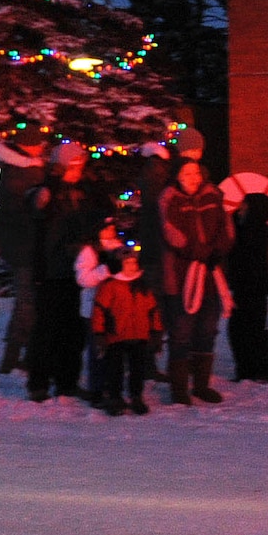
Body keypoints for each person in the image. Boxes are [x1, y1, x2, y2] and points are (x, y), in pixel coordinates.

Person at [26, 142, 101, 402]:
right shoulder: (46, 190)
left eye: (81, 164)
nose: (79, 169)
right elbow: (37, 210)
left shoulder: (84, 191)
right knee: (48, 329)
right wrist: (55, 181)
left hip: (79, 270)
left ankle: (67, 380)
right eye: (75, 164)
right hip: (51, 270)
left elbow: (96, 217)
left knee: (74, 330)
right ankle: (39, 383)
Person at [159, 157, 233, 405]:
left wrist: (217, 251)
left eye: (196, 173)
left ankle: (201, 385)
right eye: (187, 173)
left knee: (207, 329)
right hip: (181, 277)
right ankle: (179, 389)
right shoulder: (170, 198)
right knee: (181, 332)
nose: (193, 178)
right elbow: (171, 231)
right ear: (178, 176)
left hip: (210, 276)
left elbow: (226, 228)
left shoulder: (213, 196)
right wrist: (197, 251)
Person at [0, 131, 46, 375]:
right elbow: (22, 210)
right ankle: (14, 357)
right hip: (24, 245)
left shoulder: (15, 168)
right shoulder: (20, 172)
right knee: (27, 302)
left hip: (20, 244)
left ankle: (19, 354)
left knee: (27, 301)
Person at [90, 246, 162, 415]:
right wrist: (99, 334)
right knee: (115, 369)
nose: (132, 266)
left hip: (139, 336)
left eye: (134, 262)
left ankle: (136, 396)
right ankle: (115, 397)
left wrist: (156, 332)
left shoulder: (142, 285)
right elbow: (99, 310)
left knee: (137, 369)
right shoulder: (111, 286)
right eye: (128, 263)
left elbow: (153, 310)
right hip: (116, 337)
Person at [129, 142, 176, 380]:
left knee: (153, 309)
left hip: (152, 253)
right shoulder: (159, 179)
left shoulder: (148, 180)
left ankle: (147, 361)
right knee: (158, 310)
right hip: (159, 254)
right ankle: (148, 362)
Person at [226, 192, 268, 382]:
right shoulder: (258, 230)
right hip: (252, 285)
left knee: (247, 328)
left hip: (249, 285)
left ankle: (257, 370)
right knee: (249, 328)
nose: (240, 206)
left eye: (245, 204)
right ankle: (257, 370)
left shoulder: (246, 229)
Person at [75, 215, 126, 399]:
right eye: (106, 228)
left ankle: (113, 387)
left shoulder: (119, 248)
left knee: (115, 350)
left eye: (112, 227)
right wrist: (105, 270)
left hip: (116, 309)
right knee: (98, 350)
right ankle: (96, 388)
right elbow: (83, 279)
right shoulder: (90, 251)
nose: (110, 231)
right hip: (94, 309)